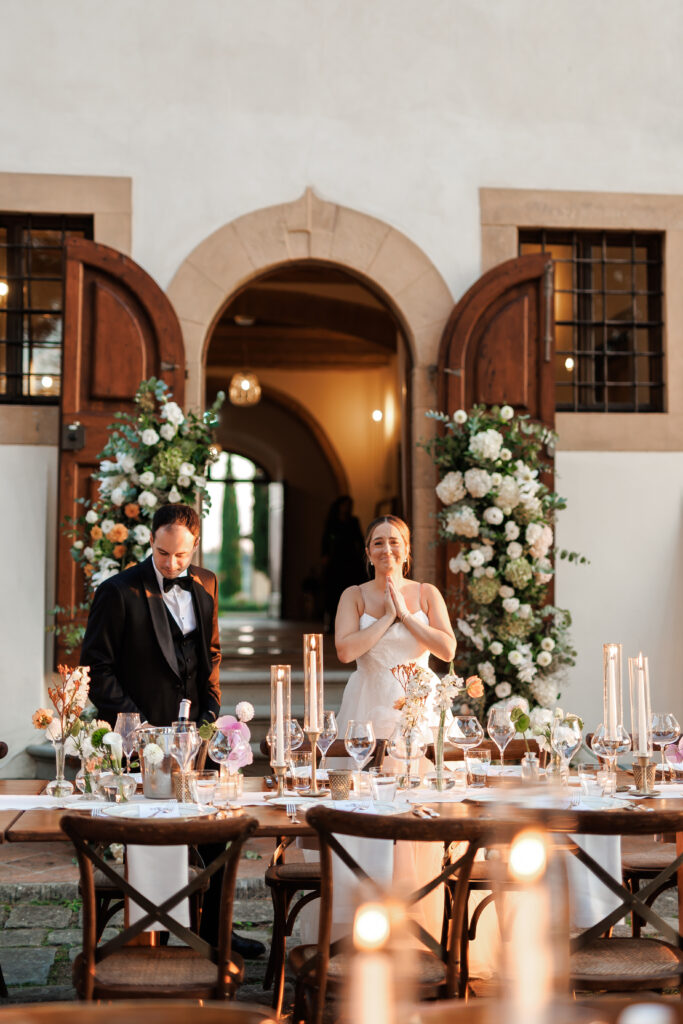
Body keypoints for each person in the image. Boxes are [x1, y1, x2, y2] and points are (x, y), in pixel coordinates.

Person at [81, 502, 264, 959]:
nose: (172, 564)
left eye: (181, 556)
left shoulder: (206, 582)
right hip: (140, 739)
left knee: (214, 831)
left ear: (194, 546)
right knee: (154, 835)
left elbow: (212, 653)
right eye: (163, 554)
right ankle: (153, 935)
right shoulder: (117, 591)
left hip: (194, 735)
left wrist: (212, 713)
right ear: (151, 542)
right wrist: (136, 728)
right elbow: (97, 670)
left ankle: (216, 932)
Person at [335, 514, 456, 739]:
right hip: (368, 699)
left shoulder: (427, 593)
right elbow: (345, 652)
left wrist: (406, 615)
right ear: (369, 553)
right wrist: (388, 617)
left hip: (421, 701)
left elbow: (448, 651)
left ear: (407, 549)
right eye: (378, 543)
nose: (386, 549)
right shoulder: (354, 596)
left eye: (394, 542)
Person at [321, 495, 366, 631]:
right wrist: (325, 556)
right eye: (344, 505)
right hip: (336, 562)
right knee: (334, 593)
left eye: (349, 505)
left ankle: (351, 623)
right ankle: (332, 622)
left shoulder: (353, 521)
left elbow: (360, 540)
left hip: (350, 561)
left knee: (350, 591)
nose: (347, 508)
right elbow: (325, 540)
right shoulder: (332, 522)